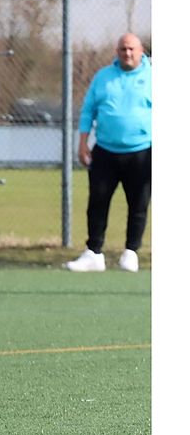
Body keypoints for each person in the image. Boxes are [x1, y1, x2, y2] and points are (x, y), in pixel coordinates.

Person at [65, 33, 151, 273]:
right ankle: (94, 253)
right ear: (117, 51)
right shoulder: (103, 77)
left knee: (139, 203)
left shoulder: (152, 77)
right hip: (105, 150)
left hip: (142, 151)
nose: (128, 53)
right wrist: (83, 142)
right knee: (97, 201)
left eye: (132, 49)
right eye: (123, 49)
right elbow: (87, 111)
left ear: (141, 50)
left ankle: (131, 252)